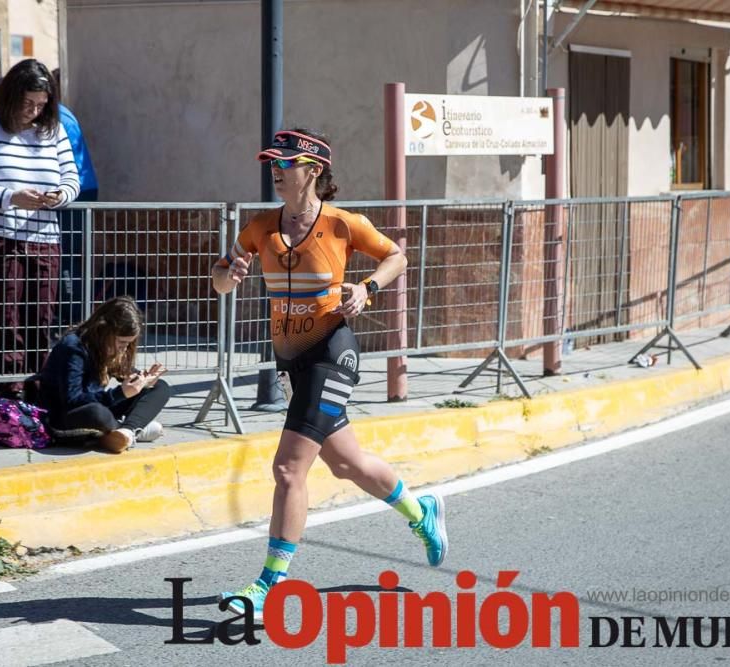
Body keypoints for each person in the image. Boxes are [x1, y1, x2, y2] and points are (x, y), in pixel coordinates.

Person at [210, 128, 448, 619]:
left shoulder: (343, 224)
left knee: (288, 468)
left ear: (313, 171)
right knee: (346, 463)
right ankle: (420, 513)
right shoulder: (260, 227)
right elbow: (220, 277)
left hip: (331, 352)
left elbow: (397, 257)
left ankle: (267, 588)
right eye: (273, 164)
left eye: (285, 164)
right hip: (290, 359)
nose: (275, 172)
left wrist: (366, 289)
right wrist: (227, 275)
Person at [0, 58, 80, 399]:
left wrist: (59, 196)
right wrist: (10, 197)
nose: (34, 112)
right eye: (28, 104)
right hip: (0, 239)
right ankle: (11, 395)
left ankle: (37, 392)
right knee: (6, 322)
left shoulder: (53, 130)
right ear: (11, 96)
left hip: (45, 238)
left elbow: (72, 178)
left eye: (41, 105)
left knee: (40, 320)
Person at [39, 296, 170, 453]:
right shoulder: (74, 347)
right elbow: (71, 400)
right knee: (97, 413)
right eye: (121, 343)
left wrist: (143, 380)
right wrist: (118, 394)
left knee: (160, 387)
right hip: (64, 416)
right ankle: (133, 428)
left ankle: (126, 431)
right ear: (104, 332)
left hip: (98, 404)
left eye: (128, 343)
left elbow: (123, 375)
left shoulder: (107, 347)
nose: (124, 348)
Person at [53, 68, 99, 328]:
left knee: (66, 255)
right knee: (69, 254)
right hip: (82, 187)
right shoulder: (62, 112)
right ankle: (73, 314)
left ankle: (73, 317)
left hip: (76, 190)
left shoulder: (56, 116)